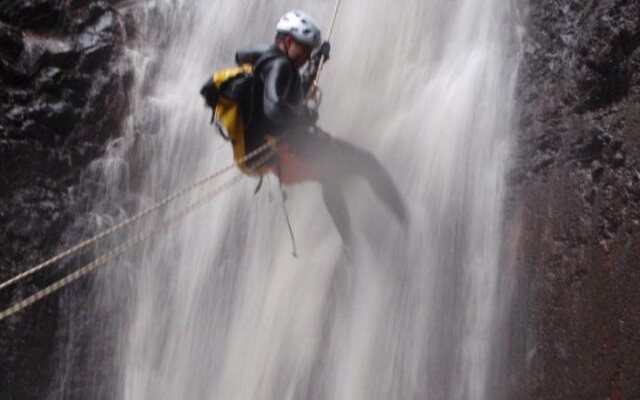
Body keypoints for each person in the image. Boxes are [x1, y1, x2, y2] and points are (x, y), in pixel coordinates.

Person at [207, 10, 407, 244]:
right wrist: (303, 114)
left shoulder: (266, 62)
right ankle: (407, 224)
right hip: (287, 149)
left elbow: (289, 92)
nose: (306, 56)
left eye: (310, 51)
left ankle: (351, 244)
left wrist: (314, 64)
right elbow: (275, 108)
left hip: (269, 152)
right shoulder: (280, 65)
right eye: (305, 50)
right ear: (288, 42)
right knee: (367, 163)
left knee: (328, 174)